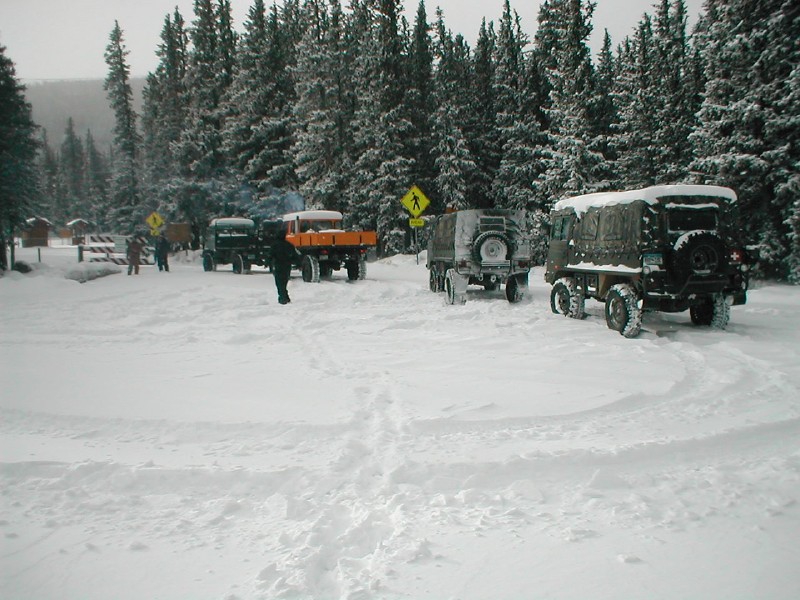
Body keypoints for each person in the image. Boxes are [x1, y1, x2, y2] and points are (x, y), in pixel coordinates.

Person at [271, 228, 299, 304]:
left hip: (278, 266)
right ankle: (285, 297)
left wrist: (268, 263)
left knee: (279, 283)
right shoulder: (289, 245)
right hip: (287, 266)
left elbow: (270, 255)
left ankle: (283, 298)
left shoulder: (274, 245)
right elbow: (296, 256)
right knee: (284, 282)